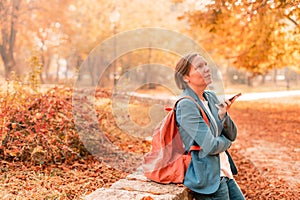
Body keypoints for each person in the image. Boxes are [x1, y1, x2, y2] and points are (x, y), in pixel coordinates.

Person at [174, 52, 245, 200]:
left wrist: (222, 116)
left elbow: (232, 134)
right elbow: (211, 146)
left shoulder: (210, 97)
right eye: (199, 67)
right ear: (186, 78)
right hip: (210, 180)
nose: (206, 69)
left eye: (206, 64)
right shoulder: (186, 105)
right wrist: (227, 143)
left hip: (224, 172)